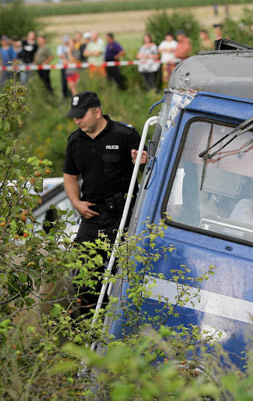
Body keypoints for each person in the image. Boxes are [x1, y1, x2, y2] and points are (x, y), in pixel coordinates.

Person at [63, 91, 147, 311]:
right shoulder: (75, 141)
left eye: (81, 115)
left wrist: (142, 161)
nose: (77, 120)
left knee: (126, 271)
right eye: (75, 116)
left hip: (123, 214)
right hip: (91, 216)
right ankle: (88, 324)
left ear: (97, 112)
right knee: (82, 274)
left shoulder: (125, 135)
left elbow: (148, 167)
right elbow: (70, 176)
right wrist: (76, 202)